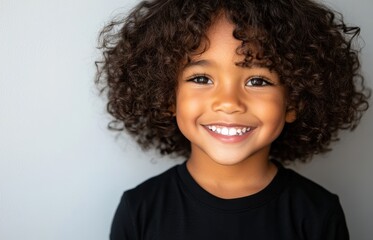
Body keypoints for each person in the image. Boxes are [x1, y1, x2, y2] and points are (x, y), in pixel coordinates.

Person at [95, 0, 370, 239]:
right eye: (201, 78)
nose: (229, 102)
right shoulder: (140, 209)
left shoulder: (318, 213)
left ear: (294, 101)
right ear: (167, 98)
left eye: (258, 80)